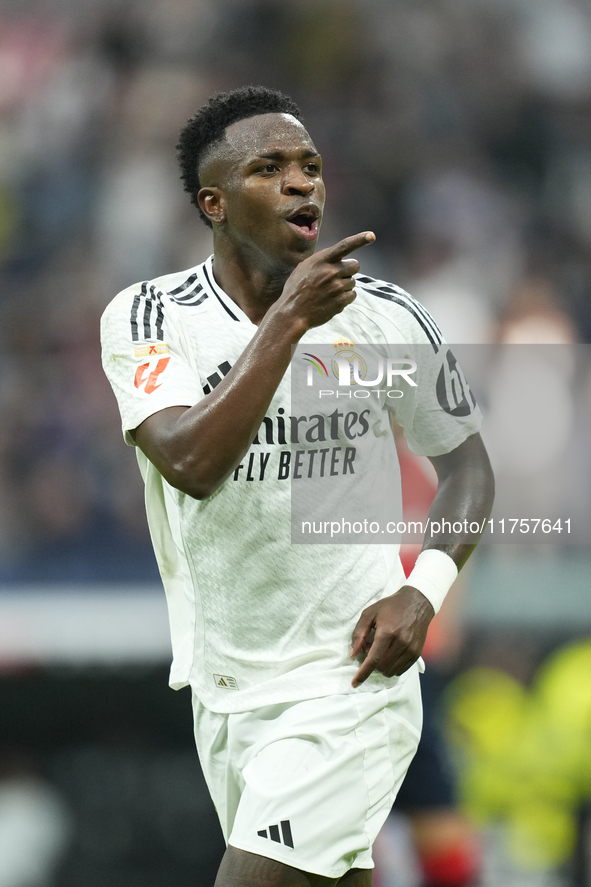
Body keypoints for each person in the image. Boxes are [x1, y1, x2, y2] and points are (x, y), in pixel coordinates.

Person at [100, 85, 494, 887]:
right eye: (269, 167)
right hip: (227, 687)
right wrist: (287, 322)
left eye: (310, 166)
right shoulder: (147, 316)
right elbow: (188, 461)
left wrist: (423, 592)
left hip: (350, 681)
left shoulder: (384, 317)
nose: (300, 182)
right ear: (212, 202)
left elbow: (468, 469)